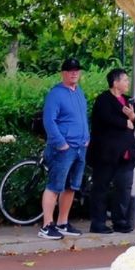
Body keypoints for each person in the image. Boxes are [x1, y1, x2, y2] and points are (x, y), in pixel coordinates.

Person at [38, 58, 89, 240]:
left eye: (76, 70)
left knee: (71, 186)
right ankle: (46, 225)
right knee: (54, 186)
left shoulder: (79, 92)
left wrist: (87, 138)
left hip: (79, 146)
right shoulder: (55, 94)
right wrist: (61, 143)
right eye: (70, 70)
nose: (74, 73)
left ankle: (62, 222)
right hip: (63, 148)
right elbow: (49, 120)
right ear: (63, 73)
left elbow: (83, 116)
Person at [87, 69, 135, 234]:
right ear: (115, 82)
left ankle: (120, 220)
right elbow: (104, 118)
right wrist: (125, 123)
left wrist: (132, 117)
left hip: (126, 153)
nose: (127, 83)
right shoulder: (103, 100)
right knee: (101, 187)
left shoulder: (128, 99)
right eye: (125, 80)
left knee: (123, 187)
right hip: (106, 153)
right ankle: (98, 222)